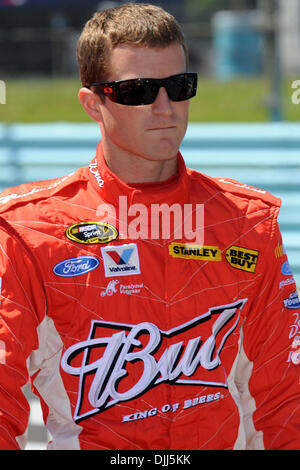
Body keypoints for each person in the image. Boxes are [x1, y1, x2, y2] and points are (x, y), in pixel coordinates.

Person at [0, 2, 299, 451]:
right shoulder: (30, 230)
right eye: (138, 90)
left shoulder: (248, 222)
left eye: (179, 86)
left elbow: (285, 396)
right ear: (94, 103)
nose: (165, 107)